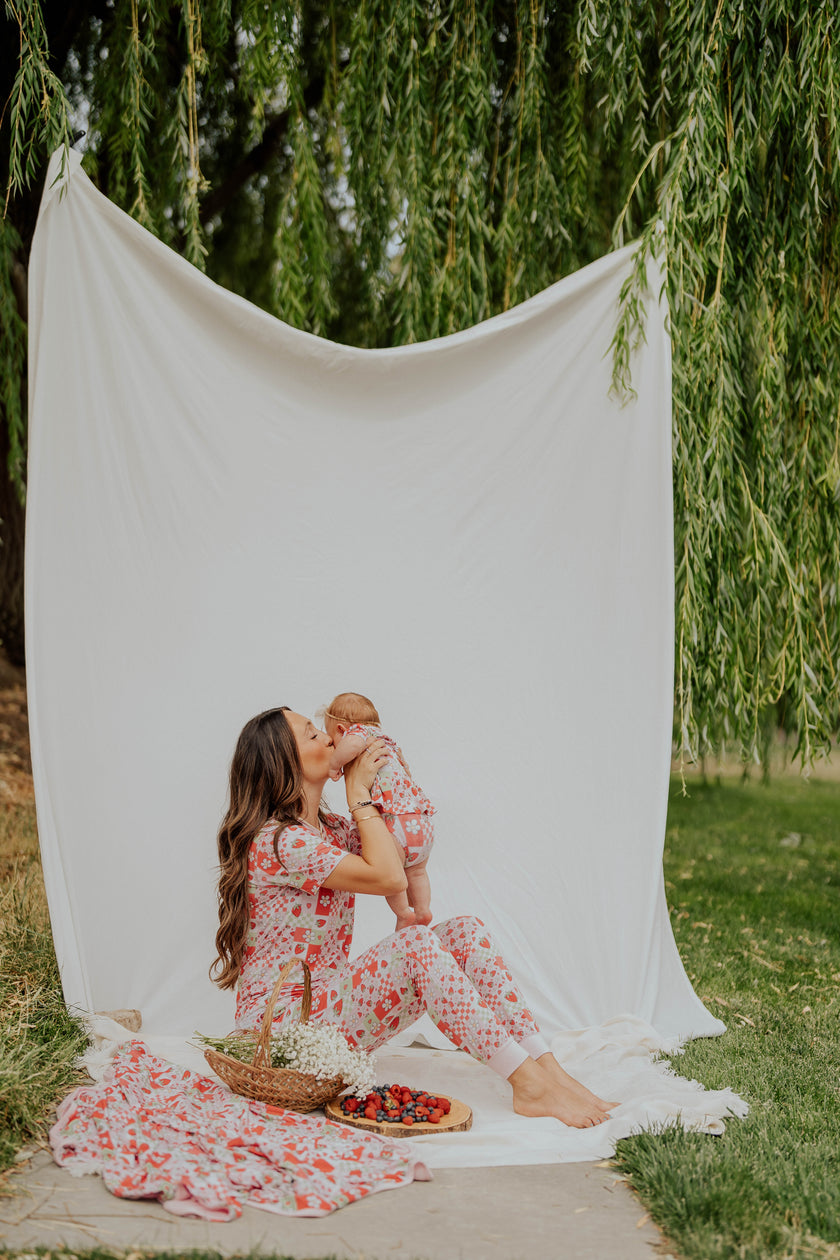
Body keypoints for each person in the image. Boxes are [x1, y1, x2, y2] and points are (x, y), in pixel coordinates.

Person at [212, 707, 616, 1128]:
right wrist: (359, 797)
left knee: (465, 932)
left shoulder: (330, 829)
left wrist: (387, 778)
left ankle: (546, 1068)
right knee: (416, 944)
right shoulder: (280, 841)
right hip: (282, 1032)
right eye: (312, 735)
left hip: (326, 1017)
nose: (329, 737)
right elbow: (387, 876)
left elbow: (402, 851)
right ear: (283, 764)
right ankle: (528, 1083)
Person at [323, 691, 433, 931]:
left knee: (395, 877)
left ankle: (404, 913)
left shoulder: (358, 734)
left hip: (395, 826)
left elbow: (350, 745)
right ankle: (423, 910)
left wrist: (334, 764)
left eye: (332, 741)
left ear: (341, 729)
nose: (332, 747)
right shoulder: (387, 741)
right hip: (420, 823)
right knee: (417, 873)